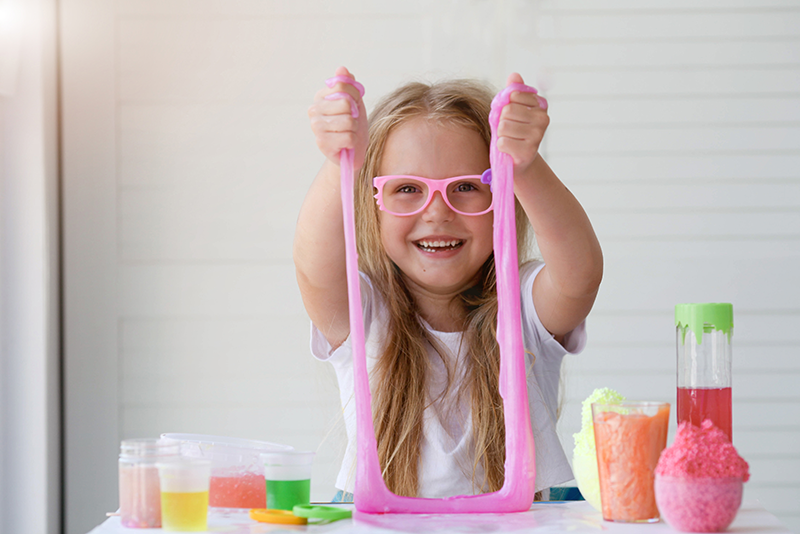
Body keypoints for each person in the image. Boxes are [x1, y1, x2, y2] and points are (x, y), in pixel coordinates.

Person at [294, 66, 603, 501]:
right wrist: (336, 164)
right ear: (372, 205)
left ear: (502, 199)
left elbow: (581, 275)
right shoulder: (365, 311)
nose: (437, 211)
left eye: (465, 186)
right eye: (406, 189)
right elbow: (313, 269)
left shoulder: (522, 306)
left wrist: (524, 167)